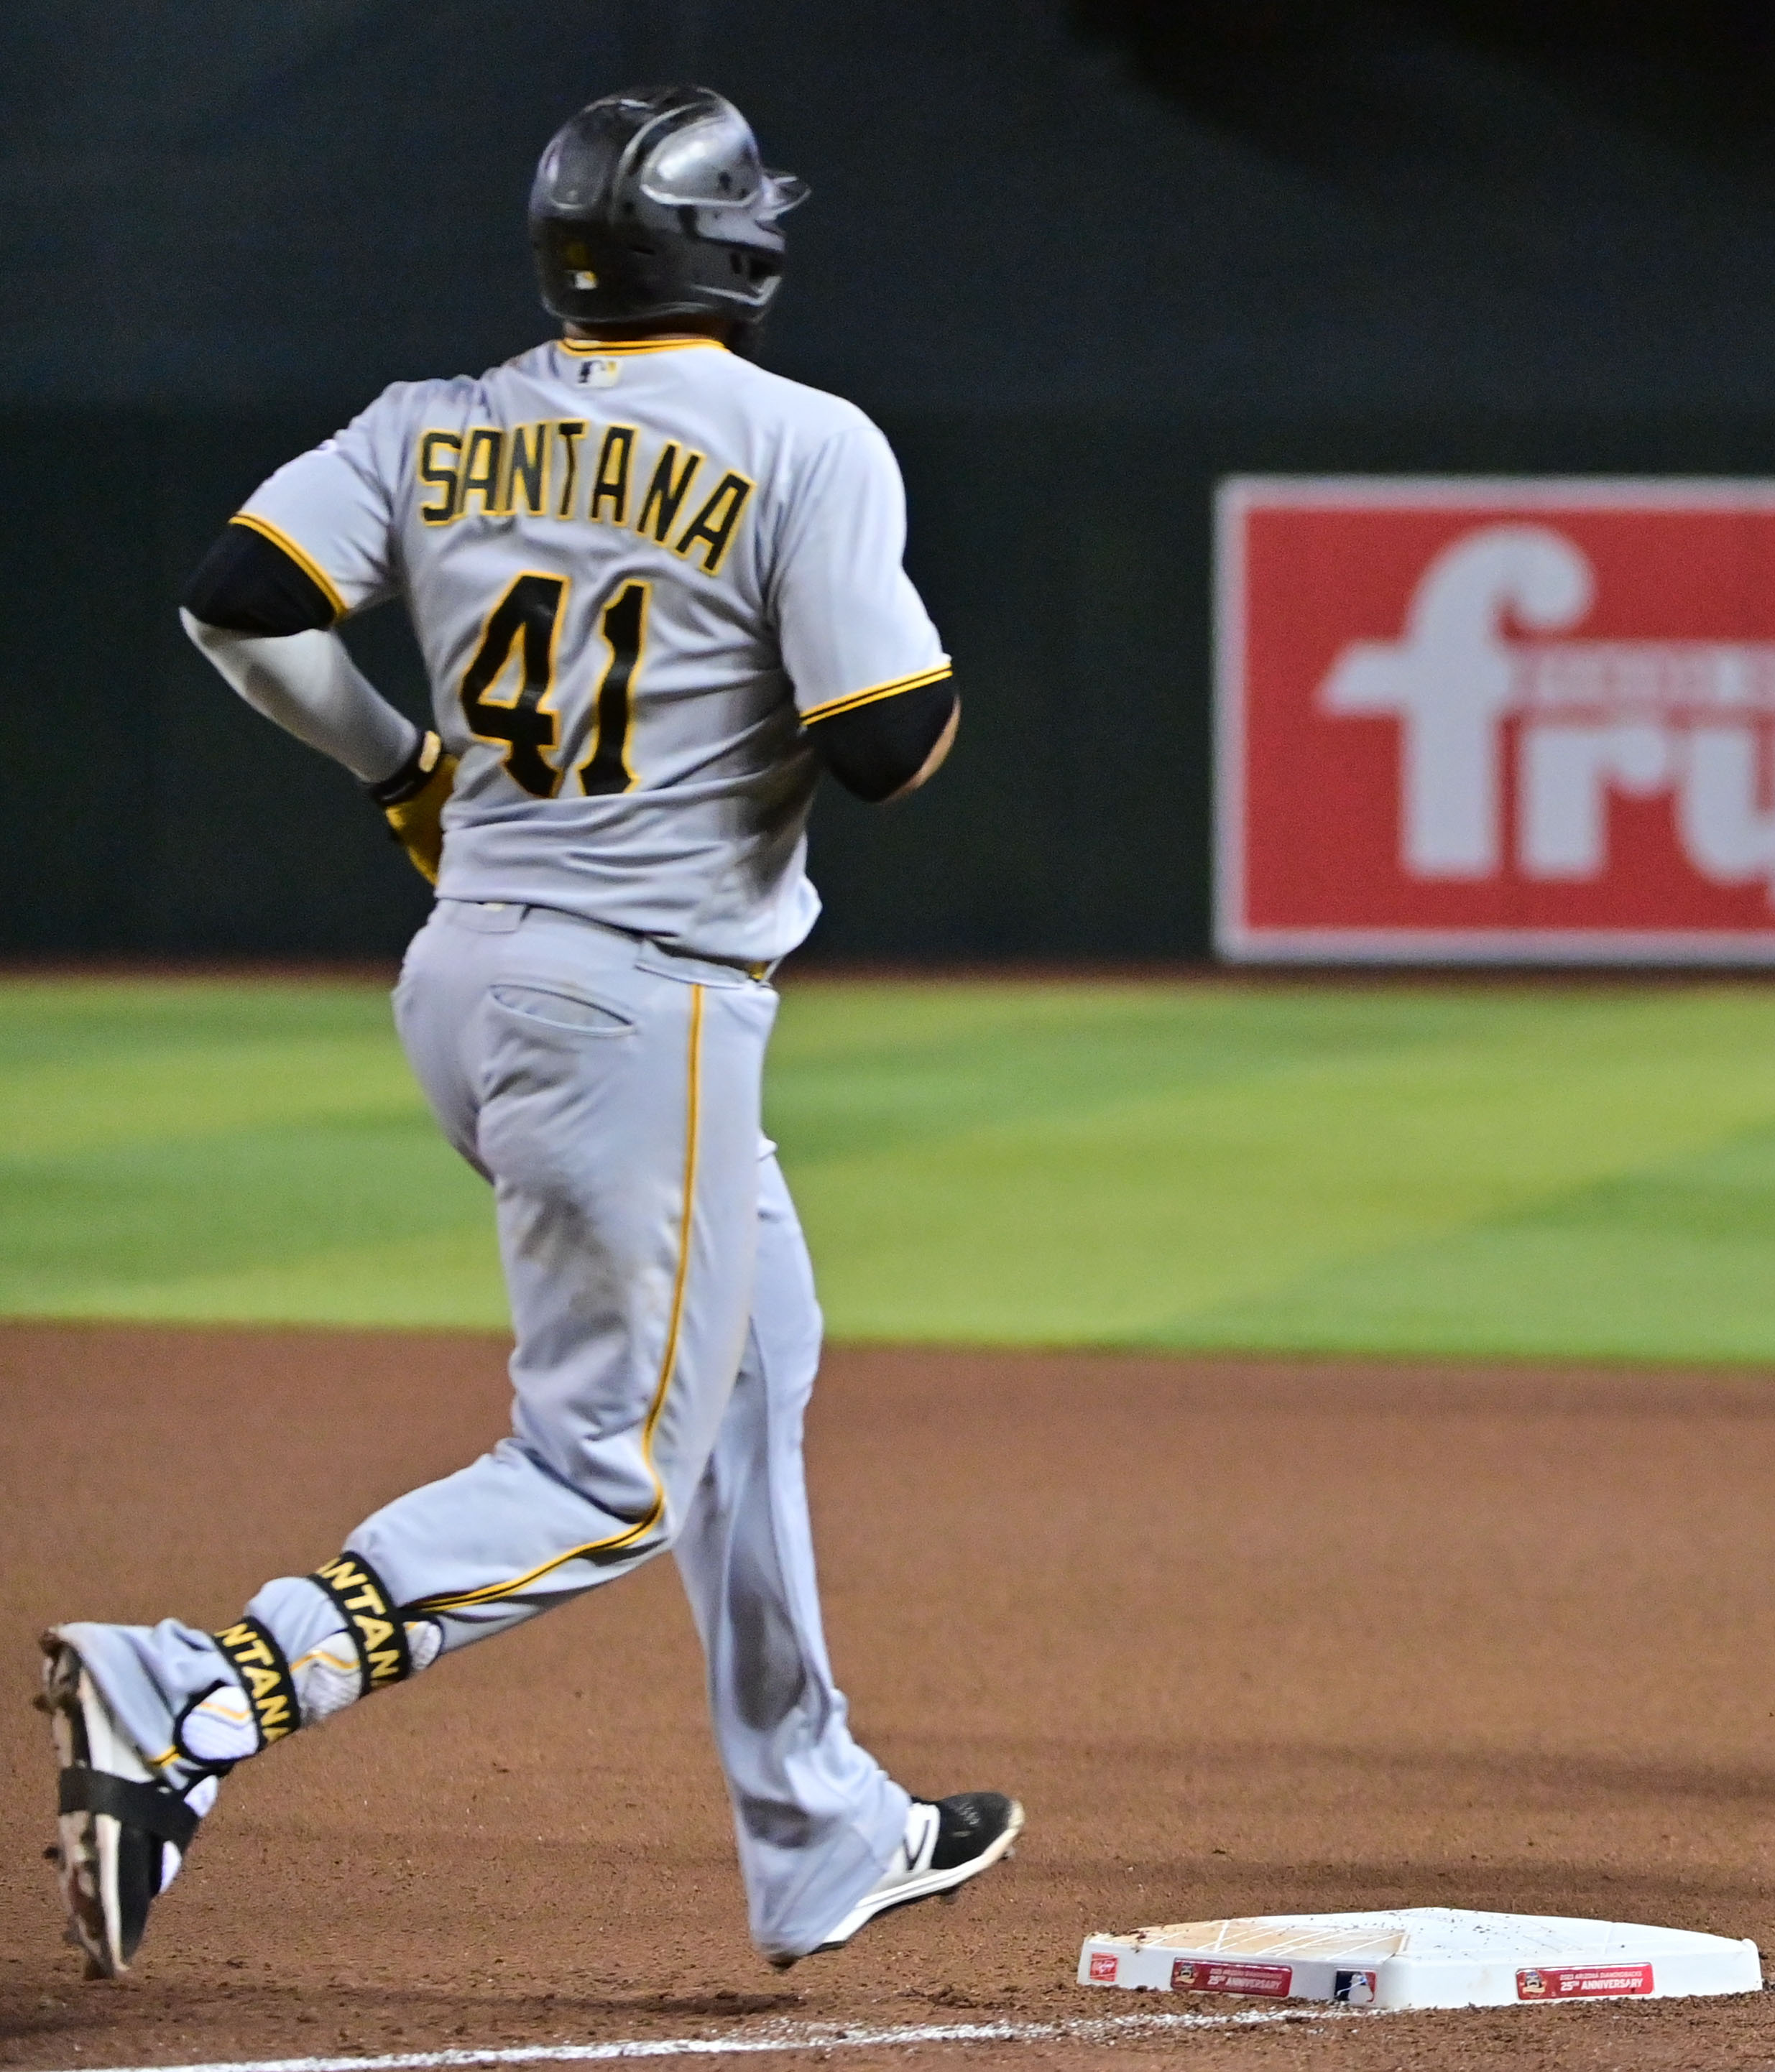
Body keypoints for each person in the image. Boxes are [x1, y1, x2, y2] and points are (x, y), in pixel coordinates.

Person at [40, 86, 1019, 1981]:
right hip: (633, 1000)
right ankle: (196, 1691)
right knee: (605, 1469)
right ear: (738, 250)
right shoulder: (802, 441)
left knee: (755, 1354)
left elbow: (237, 603)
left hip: (466, 961)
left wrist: (401, 762)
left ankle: (820, 1825)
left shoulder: (439, 422)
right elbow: (894, 743)